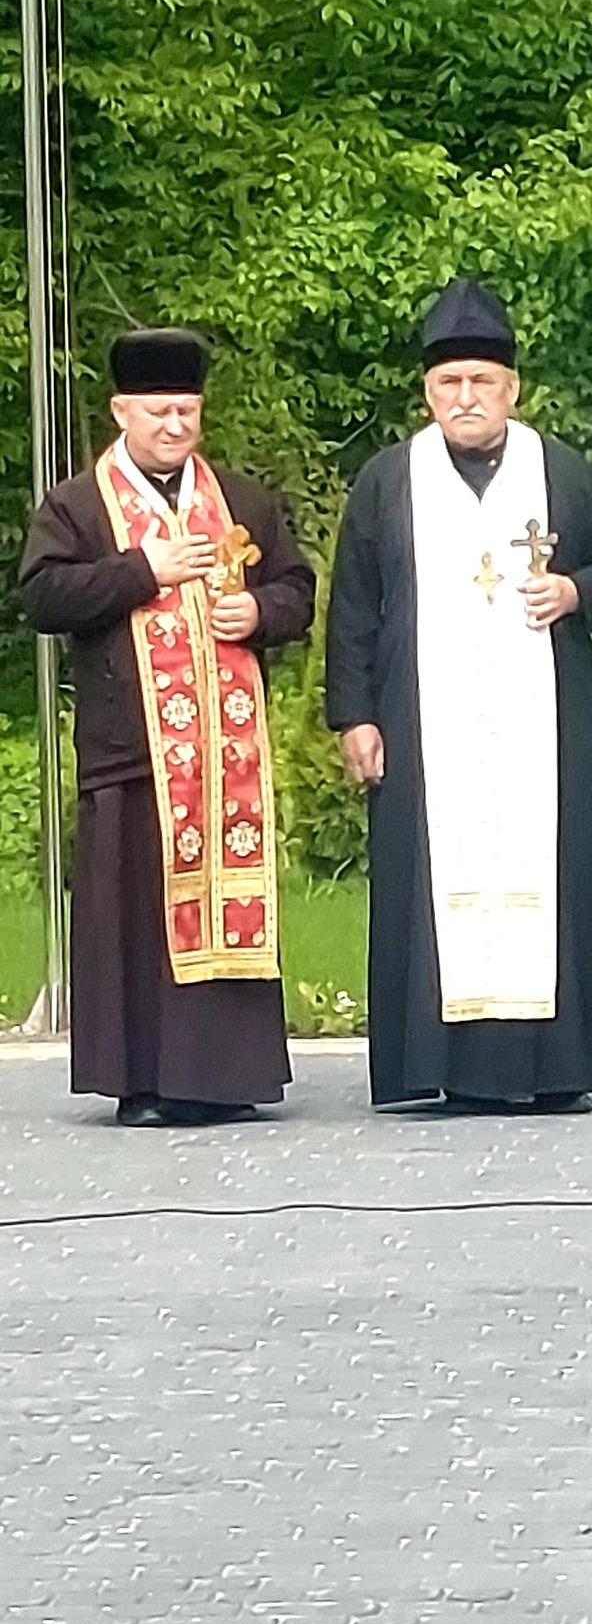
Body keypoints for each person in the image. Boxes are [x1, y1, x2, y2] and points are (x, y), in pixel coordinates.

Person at [325, 276, 592, 1114]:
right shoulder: (389, 481)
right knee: (432, 881)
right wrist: (354, 714)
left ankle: (560, 1067)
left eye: (482, 382)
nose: (465, 397)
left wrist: (575, 591)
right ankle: (449, 1068)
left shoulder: (559, 473)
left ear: (512, 389)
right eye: (449, 383)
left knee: (559, 873)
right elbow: (353, 605)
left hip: (546, 728)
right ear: (428, 392)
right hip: (424, 727)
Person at [19, 328, 316, 1126]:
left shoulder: (241, 501)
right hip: (131, 752)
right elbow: (43, 597)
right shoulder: (79, 505)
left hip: (226, 758)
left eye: (187, 411)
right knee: (137, 920)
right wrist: (142, 570)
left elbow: (296, 588)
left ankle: (228, 1077)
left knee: (225, 899)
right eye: (158, 412)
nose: (175, 425)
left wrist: (258, 611)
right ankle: (144, 1084)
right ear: (123, 413)